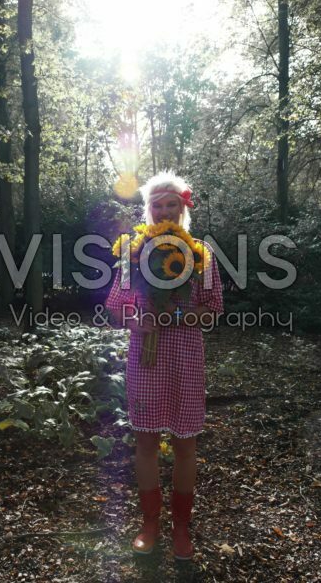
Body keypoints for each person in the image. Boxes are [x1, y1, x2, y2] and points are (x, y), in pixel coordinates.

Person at [105, 171, 224, 560]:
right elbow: (115, 305)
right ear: (149, 209)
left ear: (183, 208)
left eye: (171, 204)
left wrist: (180, 316)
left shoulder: (199, 252)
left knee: (186, 444)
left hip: (186, 357)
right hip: (145, 356)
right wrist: (136, 319)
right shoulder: (133, 253)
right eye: (157, 205)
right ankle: (150, 522)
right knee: (146, 442)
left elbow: (212, 309)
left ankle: (181, 528)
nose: (164, 211)